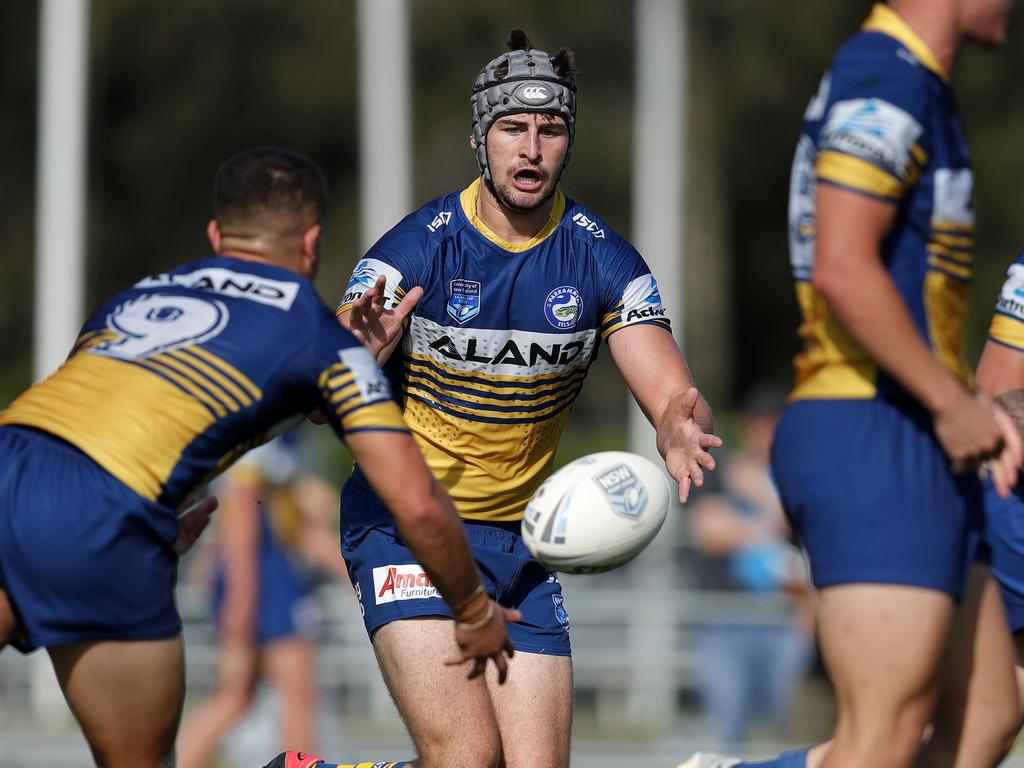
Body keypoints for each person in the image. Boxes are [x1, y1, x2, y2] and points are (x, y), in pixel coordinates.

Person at [267, 29, 720, 768]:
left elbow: (671, 388)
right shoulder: (413, 253)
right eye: (514, 128)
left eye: (551, 129)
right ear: (482, 139)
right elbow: (320, 405)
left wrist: (676, 424)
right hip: (408, 526)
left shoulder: (603, 258)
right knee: (470, 757)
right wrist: (354, 357)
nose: (532, 149)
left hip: (524, 542)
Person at [0, 146, 516, 768]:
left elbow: (87, 423)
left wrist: (154, 517)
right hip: (103, 516)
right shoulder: (318, 336)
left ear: (217, 235)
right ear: (313, 243)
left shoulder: (135, 299)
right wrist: (472, 608)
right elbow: (418, 503)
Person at [679, 2, 1021, 768]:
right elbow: (842, 264)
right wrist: (948, 399)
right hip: (869, 424)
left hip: (918, 431)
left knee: (987, 720)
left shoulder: (920, 84)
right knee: (885, 734)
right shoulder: (885, 75)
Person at [178, 433, 345, 768]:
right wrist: (241, 599)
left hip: (265, 574)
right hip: (262, 578)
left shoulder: (285, 439)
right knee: (293, 694)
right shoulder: (270, 423)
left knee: (236, 697)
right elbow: (241, 508)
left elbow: (300, 525)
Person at [689, 389, 814, 750]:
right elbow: (709, 533)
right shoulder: (718, 470)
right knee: (726, 734)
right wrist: (768, 522)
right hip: (727, 620)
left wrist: (759, 495)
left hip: (789, 619)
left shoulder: (801, 476)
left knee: (793, 734)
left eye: (774, 424)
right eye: (760, 424)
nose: (767, 432)